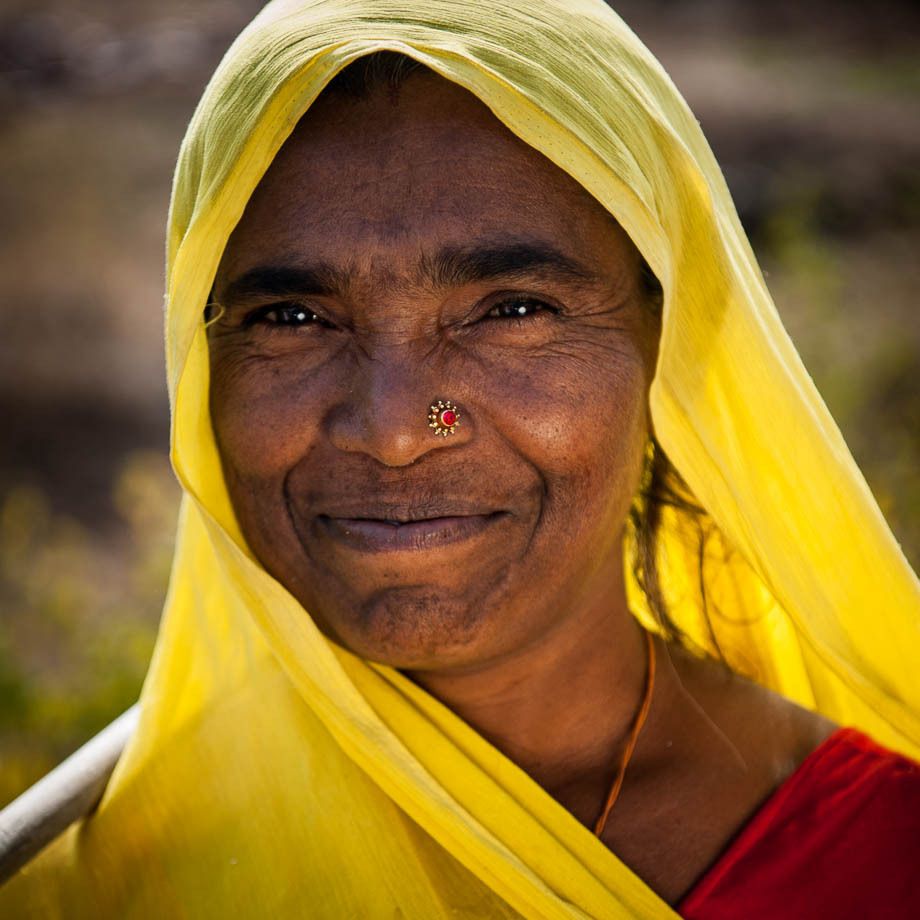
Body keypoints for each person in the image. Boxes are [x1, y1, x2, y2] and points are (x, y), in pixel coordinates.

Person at [2, 0, 918, 916]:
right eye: (291, 318)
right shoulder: (117, 883)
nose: (397, 430)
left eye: (514, 310)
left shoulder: (884, 860)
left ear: (674, 341)